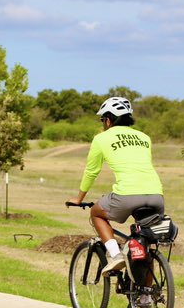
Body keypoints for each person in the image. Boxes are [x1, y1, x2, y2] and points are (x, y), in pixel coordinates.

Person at [66, 96, 165, 282]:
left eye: (103, 119)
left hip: (127, 194)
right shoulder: (145, 138)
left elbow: (91, 171)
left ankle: (115, 255)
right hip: (156, 196)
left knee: (96, 213)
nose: (103, 123)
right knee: (146, 245)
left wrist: (79, 199)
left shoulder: (101, 139)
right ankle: (145, 298)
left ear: (109, 120)